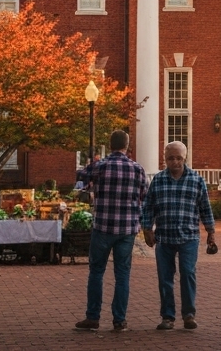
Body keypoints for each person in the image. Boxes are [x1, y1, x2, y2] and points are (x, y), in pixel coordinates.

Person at [76, 130, 148, 332]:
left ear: (110, 144)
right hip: (127, 229)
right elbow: (145, 196)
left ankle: (93, 317)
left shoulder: (101, 166)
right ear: (127, 145)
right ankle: (119, 320)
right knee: (122, 274)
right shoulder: (137, 169)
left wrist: (93, 163)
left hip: (103, 227)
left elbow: (81, 176)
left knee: (96, 272)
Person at [141, 141, 216, 331]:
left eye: (178, 158)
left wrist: (211, 232)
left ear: (185, 158)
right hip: (164, 237)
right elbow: (148, 206)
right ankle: (168, 317)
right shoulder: (158, 180)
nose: (175, 162)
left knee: (188, 274)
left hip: (189, 236)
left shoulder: (196, 180)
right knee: (165, 278)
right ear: (165, 159)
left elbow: (205, 208)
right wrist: (147, 229)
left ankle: (189, 314)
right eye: (170, 158)